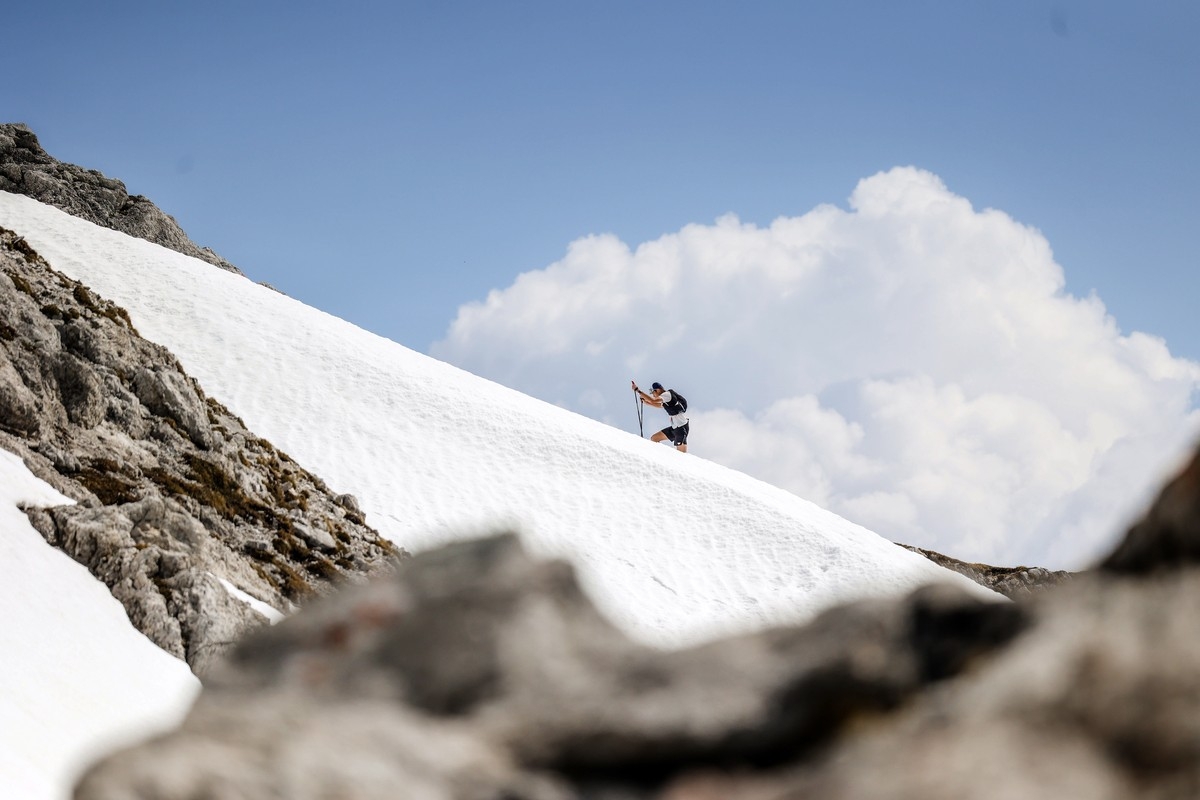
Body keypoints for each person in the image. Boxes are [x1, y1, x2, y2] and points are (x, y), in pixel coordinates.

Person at [632, 380, 689, 452]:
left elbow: (653, 400)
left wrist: (637, 390)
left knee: (681, 455)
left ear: (657, 390)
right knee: (654, 438)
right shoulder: (666, 400)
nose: (653, 395)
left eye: (653, 392)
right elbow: (659, 405)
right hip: (675, 428)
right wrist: (646, 402)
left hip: (681, 428)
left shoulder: (666, 395)